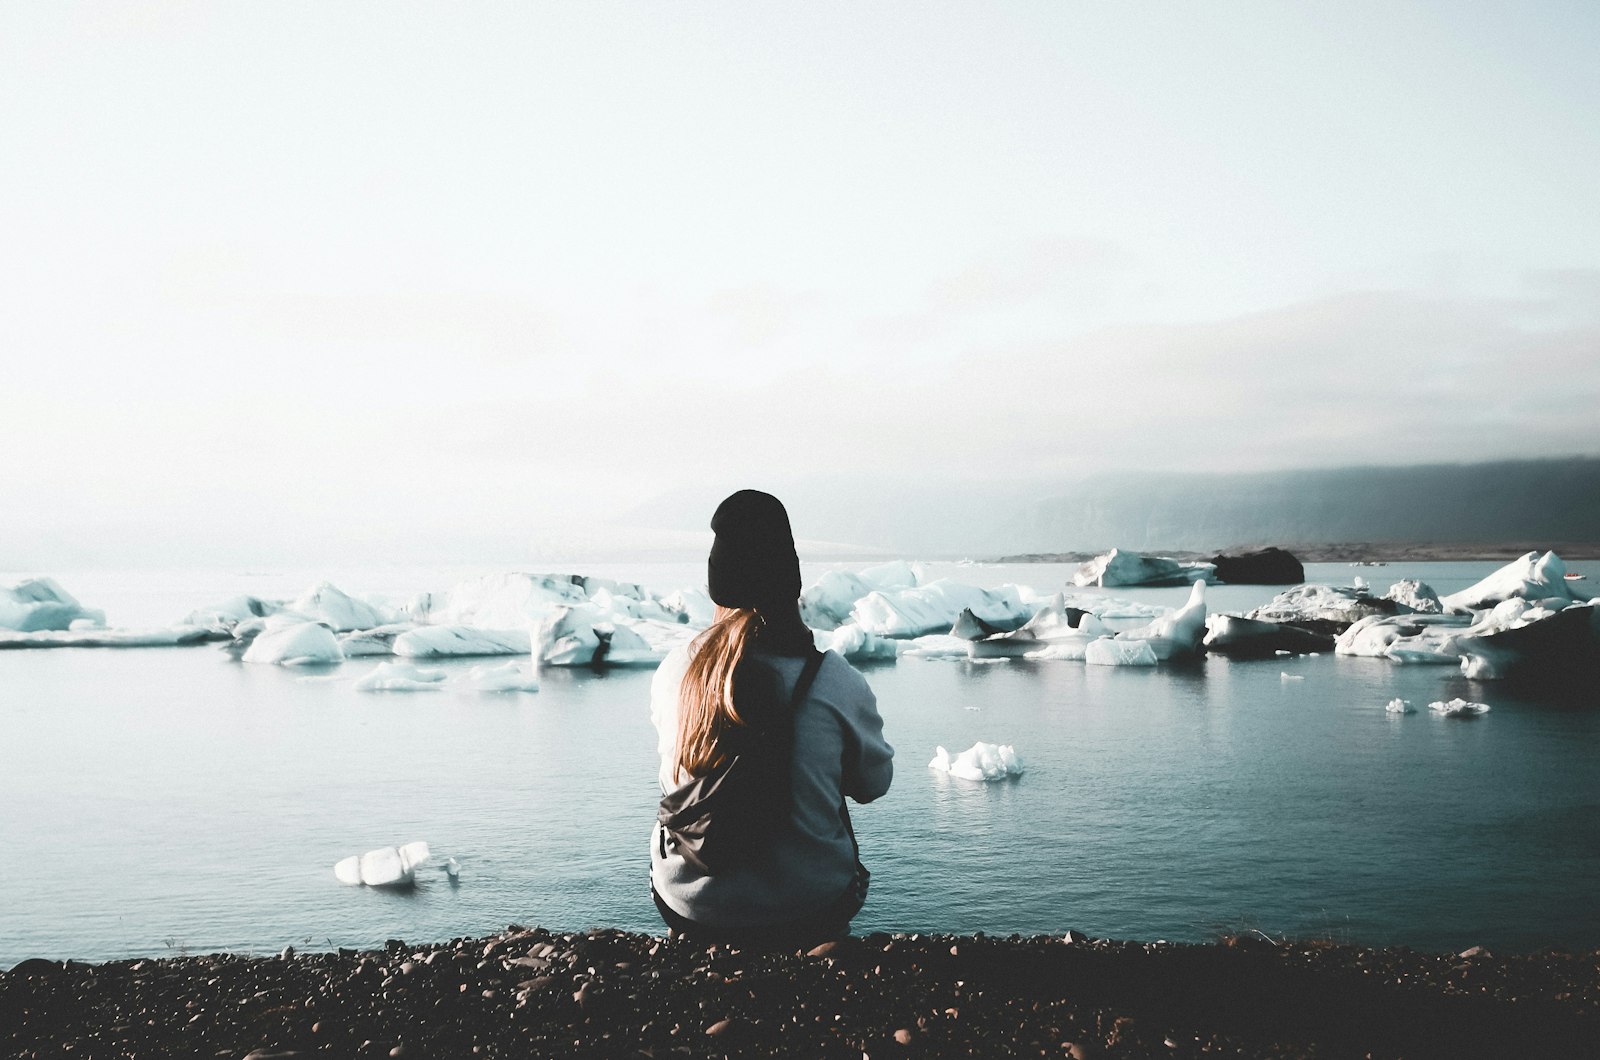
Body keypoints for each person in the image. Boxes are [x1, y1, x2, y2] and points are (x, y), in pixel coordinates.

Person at [649, 489, 894, 948]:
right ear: (791, 580)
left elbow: (671, 777)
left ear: (715, 583)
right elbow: (873, 784)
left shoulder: (675, 670)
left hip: (688, 906)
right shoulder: (833, 680)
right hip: (806, 910)